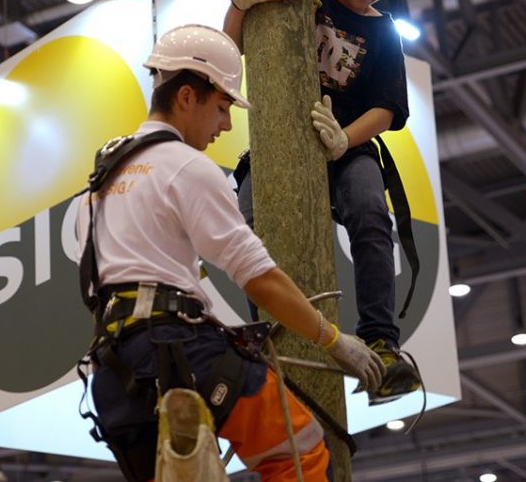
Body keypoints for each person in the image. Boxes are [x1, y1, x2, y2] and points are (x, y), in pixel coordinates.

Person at [77, 24, 385, 482]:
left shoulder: (99, 183)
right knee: (300, 450)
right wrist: (333, 340)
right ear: (186, 96)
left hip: (113, 374)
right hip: (177, 352)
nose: (225, 124)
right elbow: (259, 278)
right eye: (221, 107)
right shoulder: (186, 167)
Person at [223, 0, 420, 404]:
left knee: (371, 214)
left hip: (348, 146)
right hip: (278, 141)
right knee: (251, 223)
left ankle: (381, 341)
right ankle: (277, 338)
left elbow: (388, 108)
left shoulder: (384, 33)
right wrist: (240, 3)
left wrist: (344, 139)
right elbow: (230, 52)